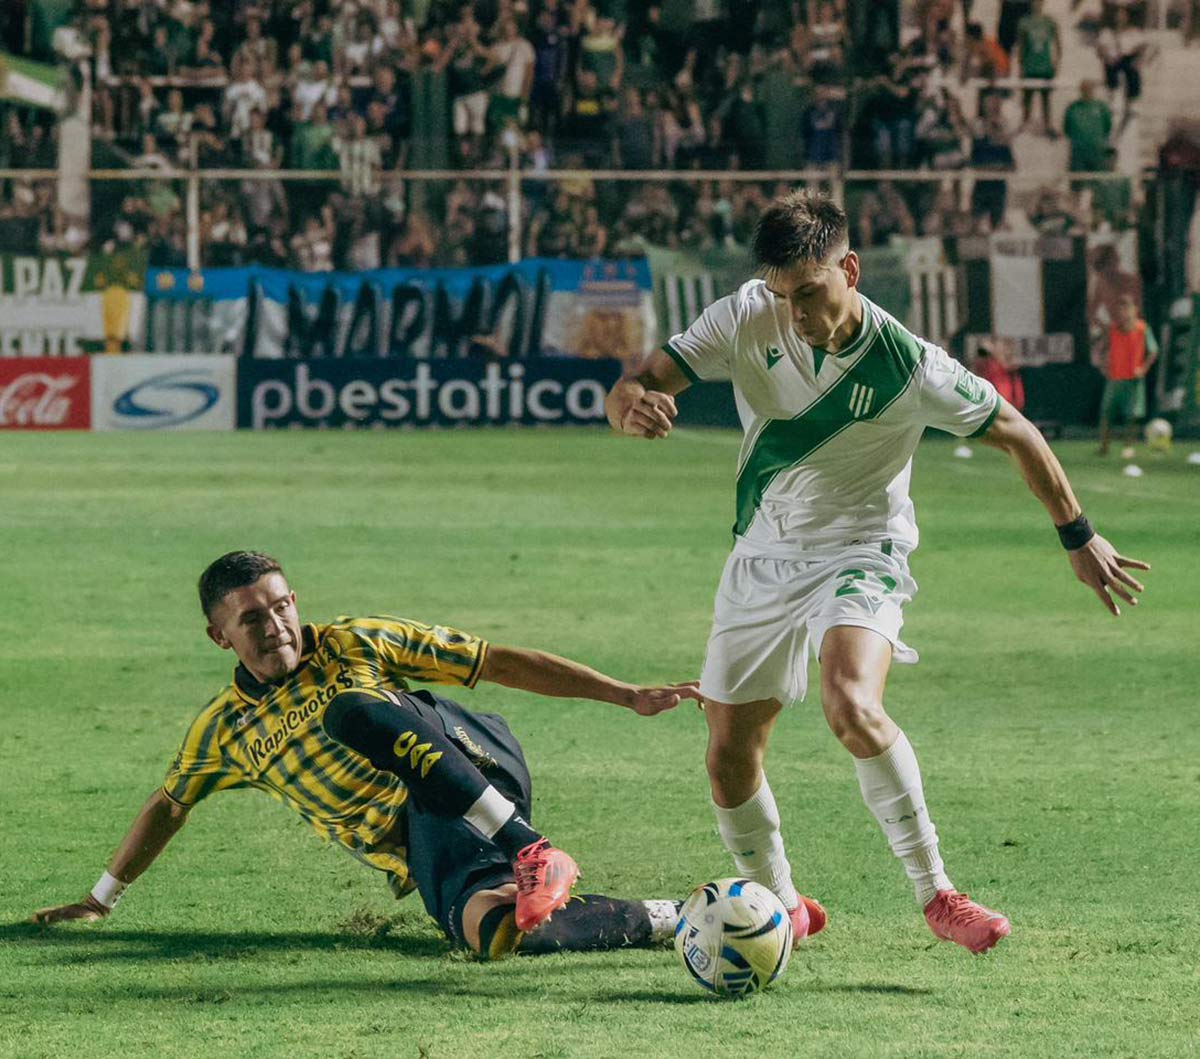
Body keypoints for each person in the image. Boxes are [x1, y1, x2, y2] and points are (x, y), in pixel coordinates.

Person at [604, 190, 1150, 955]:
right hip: (762, 552)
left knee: (850, 702)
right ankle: (784, 906)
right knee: (729, 752)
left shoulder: (910, 364)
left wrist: (1078, 534)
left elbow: (1018, 431)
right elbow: (638, 382)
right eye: (782, 294)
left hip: (863, 549)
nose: (795, 311)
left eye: (811, 292)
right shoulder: (743, 314)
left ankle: (938, 893)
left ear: (850, 269)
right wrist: (628, 405)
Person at [32, 552, 700, 959]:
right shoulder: (224, 729)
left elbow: (494, 661)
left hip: (472, 759)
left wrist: (625, 694)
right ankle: (687, 914)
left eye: (282, 605)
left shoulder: (355, 642)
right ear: (219, 636)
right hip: (429, 837)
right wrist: (100, 899)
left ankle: (533, 847)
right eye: (253, 620)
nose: (277, 627)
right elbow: (169, 803)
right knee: (496, 934)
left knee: (351, 709)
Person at [1098, 293, 1158, 455]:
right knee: (1106, 412)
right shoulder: (1112, 329)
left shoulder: (1142, 328)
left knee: (1132, 415)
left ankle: (1128, 446)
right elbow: (1103, 349)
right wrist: (1103, 365)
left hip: (1133, 380)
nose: (1124, 312)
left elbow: (1153, 351)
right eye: (1121, 309)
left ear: (1135, 310)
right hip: (1115, 378)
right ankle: (1104, 447)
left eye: (1127, 308)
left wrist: (1143, 369)